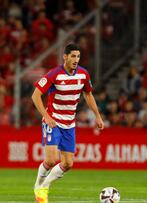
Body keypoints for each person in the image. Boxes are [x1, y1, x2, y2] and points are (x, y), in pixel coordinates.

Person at [31, 44, 104, 203]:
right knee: (51, 160)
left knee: (68, 163)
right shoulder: (54, 74)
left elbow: (88, 95)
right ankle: (38, 186)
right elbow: (35, 96)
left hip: (69, 124)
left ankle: (44, 186)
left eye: (78, 56)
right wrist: (46, 116)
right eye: (73, 56)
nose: (76, 60)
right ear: (65, 57)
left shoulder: (83, 74)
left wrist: (97, 116)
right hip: (53, 121)